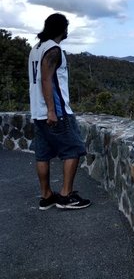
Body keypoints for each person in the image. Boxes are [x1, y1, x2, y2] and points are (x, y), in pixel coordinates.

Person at [28, 13, 91, 210]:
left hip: (37, 112)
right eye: (66, 27)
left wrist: (45, 111)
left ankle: (46, 196)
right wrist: (52, 111)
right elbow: (46, 80)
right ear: (61, 29)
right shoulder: (54, 50)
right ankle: (65, 196)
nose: (67, 31)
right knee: (73, 149)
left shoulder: (36, 49)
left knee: (43, 154)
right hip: (56, 112)